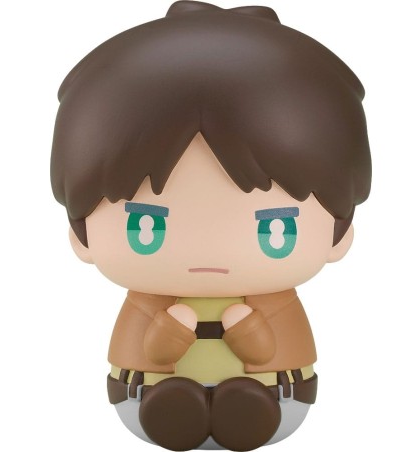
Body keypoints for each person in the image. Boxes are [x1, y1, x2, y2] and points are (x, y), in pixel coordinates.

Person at [51, 1, 371, 450]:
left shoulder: (274, 301)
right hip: (148, 395)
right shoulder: (148, 301)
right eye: (145, 226)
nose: (209, 251)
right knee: (170, 403)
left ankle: (244, 410)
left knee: (250, 404)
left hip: (274, 394)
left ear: (340, 233)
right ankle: (174, 409)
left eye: (273, 230)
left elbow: (268, 350)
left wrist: (249, 332)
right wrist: (168, 334)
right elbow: (149, 351)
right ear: (80, 233)